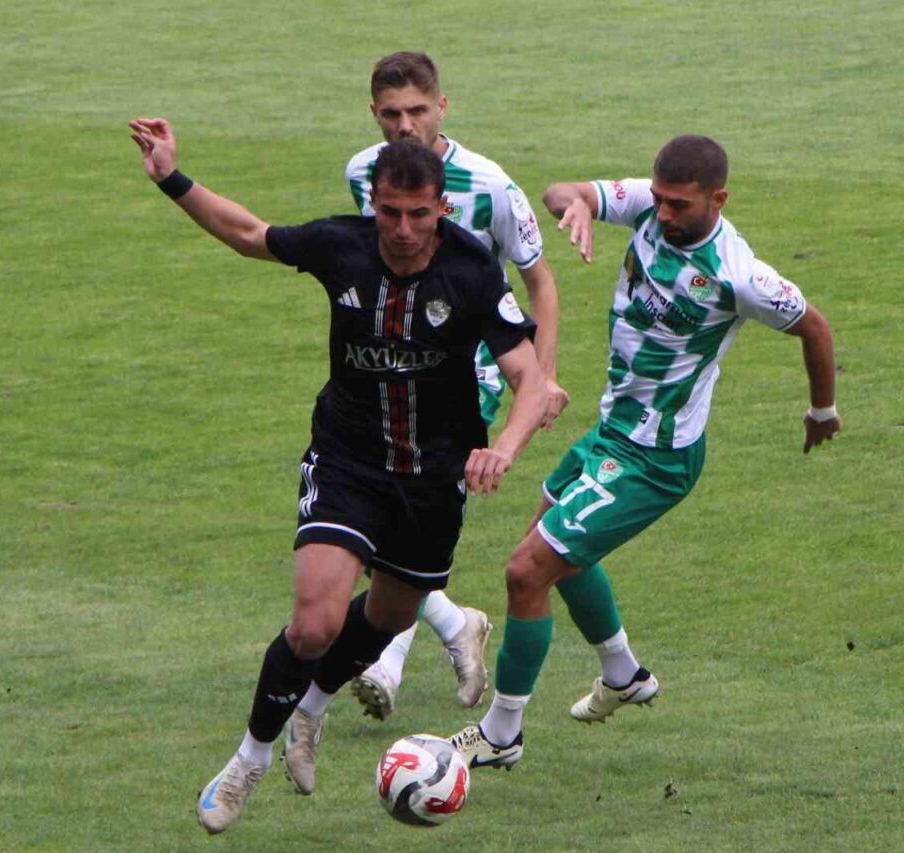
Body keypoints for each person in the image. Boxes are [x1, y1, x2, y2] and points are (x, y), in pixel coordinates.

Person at [128, 119, 546, 833]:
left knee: (388, 617)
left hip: (432, 477)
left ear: (442, 207)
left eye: (419, 214)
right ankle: (249, 760)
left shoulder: (472, 268)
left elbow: (529, 379)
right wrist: (172, 177)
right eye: (390, 212)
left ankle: (312, 709)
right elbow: (248, 234)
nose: (404, 229)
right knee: (314, 622)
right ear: (372, 203)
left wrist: (503, 446)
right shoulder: (341, 245)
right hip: (348, 459)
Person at [448, 135, 842, 769]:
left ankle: (502, 733)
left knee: (527, 571)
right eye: (658, 199)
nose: (662, 213)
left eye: (679, 204)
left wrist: (822, 411)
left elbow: (815, 327)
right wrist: (576, 204)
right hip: (613, 432)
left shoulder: (739, 276)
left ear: (718, 200)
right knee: (554, 550)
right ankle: (624, 674)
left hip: (655, 458)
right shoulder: (649, 207)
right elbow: (560, 191)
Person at [337, 51, 570, 724]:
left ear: (442, 106)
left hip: (469, 377)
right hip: (385, 372)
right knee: (367, 509)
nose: (405, 125)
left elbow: (540, 281)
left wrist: (543, 376)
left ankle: (387, 659)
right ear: (374, 113)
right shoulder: (362, 172)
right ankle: (451, 622)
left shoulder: (491, 186)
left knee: (395, 511)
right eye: (391, 113)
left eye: (418, 110)